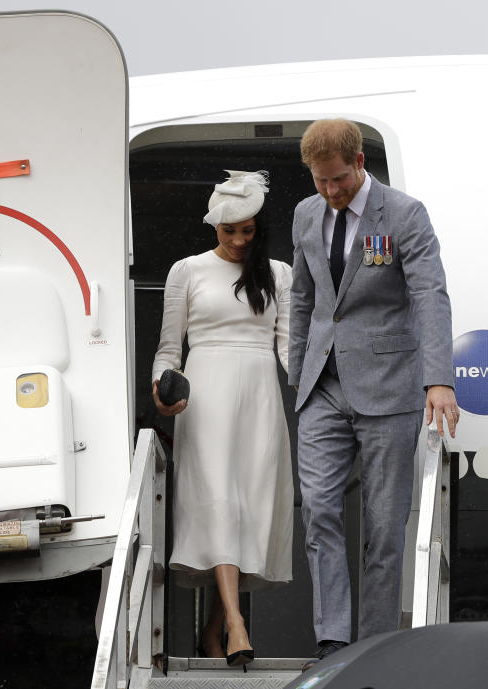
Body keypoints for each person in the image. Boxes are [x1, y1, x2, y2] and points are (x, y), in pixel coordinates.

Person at [287, 119, 459, 669]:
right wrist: (297, 371)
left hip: (388, 388)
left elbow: (430, 294)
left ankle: (375, 645)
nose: (331, 191)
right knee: (318, 510)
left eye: (338, 179)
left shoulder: (405, 214)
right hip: (323, 386)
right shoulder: (305, 214)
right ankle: (334, 640)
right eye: (320, 181)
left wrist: (439, 379)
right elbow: (302, 297)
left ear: (359, 161)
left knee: (384, 529)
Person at [152, 170, 293, 666]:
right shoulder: (185, 270)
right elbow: (169, 349)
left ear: (260, 228)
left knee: (248, 507)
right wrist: (161, 391)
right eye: (228, 230)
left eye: (247, 231)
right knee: (219, 502)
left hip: (259, 396)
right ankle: (236, 625)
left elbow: (289, 349)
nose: (237, 241)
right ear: (214, 227)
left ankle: (212, 632)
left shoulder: (278, 273)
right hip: (204, 393)